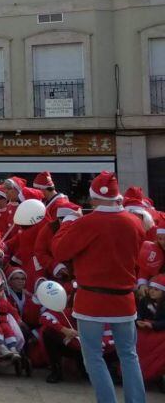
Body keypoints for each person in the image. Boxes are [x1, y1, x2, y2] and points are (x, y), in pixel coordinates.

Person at [51, 171, 146, 403]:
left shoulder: (87, 223)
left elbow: (60, 251)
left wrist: (69, 223)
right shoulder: (135, 222)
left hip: (91, 301)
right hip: (124, 300)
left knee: (93, 357)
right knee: (129, 355)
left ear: (93, 197)